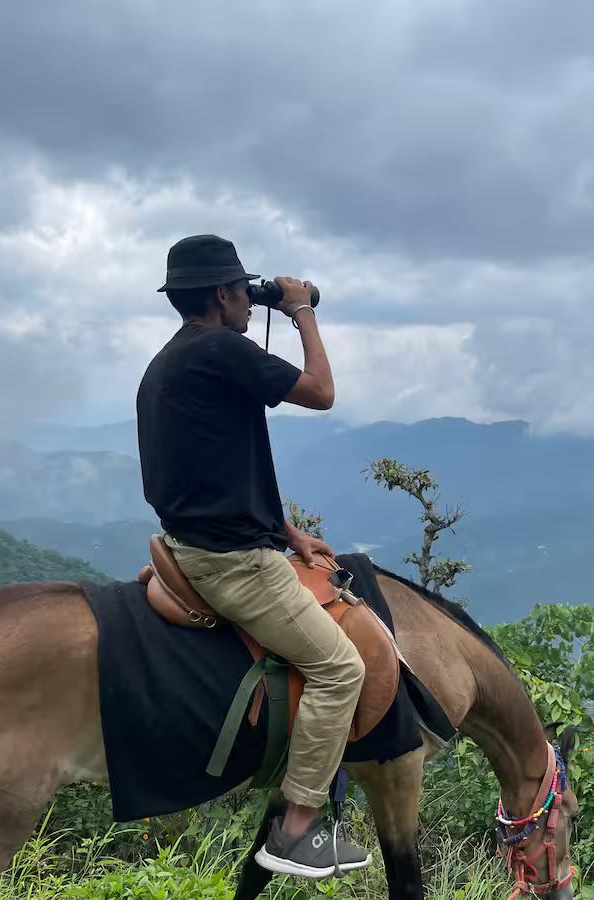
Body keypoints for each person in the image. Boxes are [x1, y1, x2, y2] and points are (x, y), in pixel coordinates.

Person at [136, 234, 370, 879]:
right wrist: (301, 310)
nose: (249, 301)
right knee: (339, 669)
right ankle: (296, 830)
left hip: (191, 543)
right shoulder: (220, 348)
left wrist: (288, 531)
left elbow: (216, 469)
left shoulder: (174, 357)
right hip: (233, 562)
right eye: (244, 291)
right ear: (222, 294)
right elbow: (321, 391)